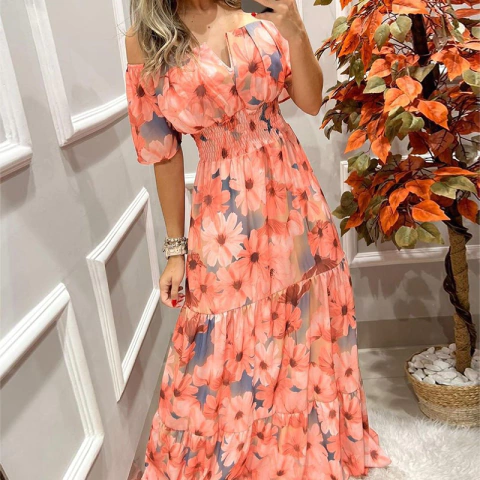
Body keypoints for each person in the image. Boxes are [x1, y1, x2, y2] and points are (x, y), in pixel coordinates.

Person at [124, 0, 392, 478]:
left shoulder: (260, 13)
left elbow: (310, 100)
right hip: (222, 216)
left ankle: (297, 455)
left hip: (294, 197)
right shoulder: (145, 41)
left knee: (304, 327)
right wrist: (175, 251)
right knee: (217, 346)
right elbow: (164, 154)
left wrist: (294, 27)